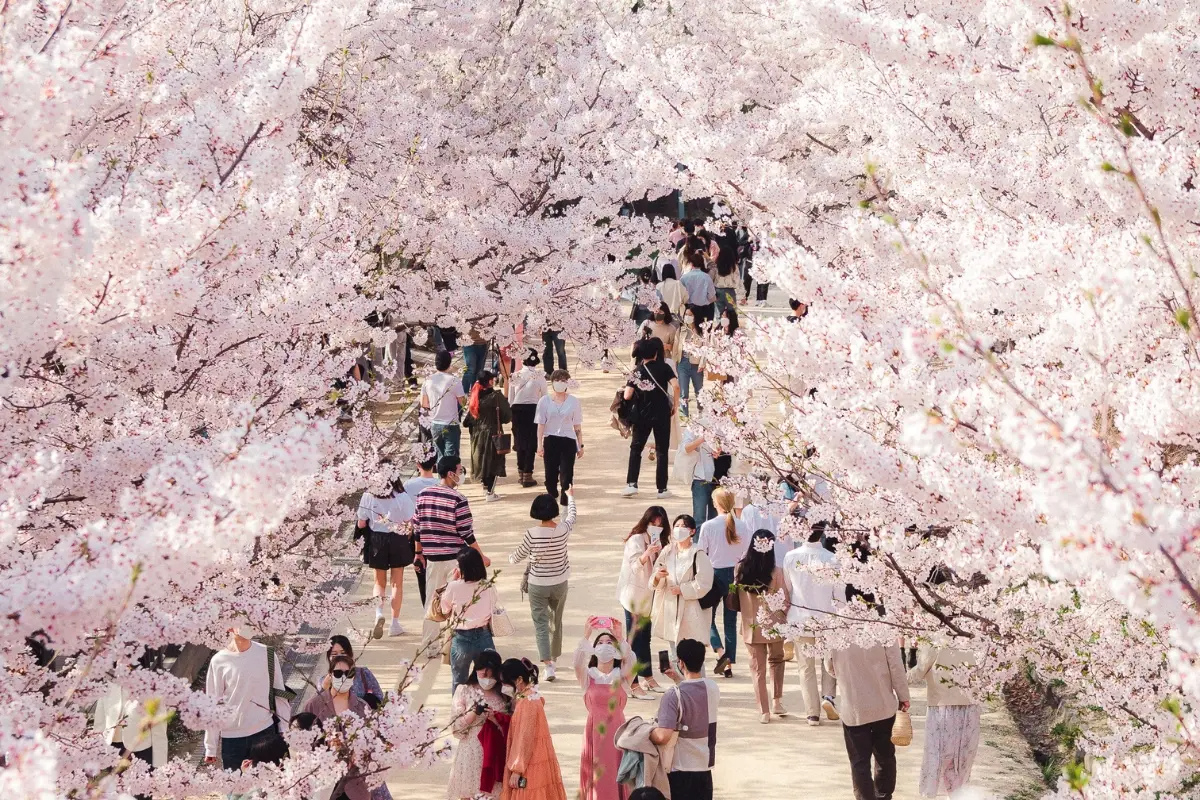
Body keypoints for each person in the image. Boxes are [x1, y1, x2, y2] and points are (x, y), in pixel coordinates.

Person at [415, 457, 492, 643]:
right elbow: (467, 533)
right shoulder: (458, 499)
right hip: (455, 559)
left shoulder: (423, 495)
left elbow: (417, 527)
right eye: (459, 471)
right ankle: (451, 644)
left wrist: (418, 554)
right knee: (456, 602)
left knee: (432, 601)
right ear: (450, 474)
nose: (460, 474)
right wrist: (481, 556)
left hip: (432, 558)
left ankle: (429, 643)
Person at [509, 487, 577, 682]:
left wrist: (510, 559)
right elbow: (572, 516)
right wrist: (570, 497)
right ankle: (554, 658)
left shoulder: (532, 533)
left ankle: (547, 665)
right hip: (560, 582)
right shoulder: (563, 529)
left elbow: (519, 554)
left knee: (540, 623)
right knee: (556, 621)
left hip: (538, 584)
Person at [303, 654, 392, 800]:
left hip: (356, 784)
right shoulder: (314, 705)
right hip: (325, 782)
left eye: (348, 673)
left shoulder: (362, 707)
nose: (343, 677)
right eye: (338, 673)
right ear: (330, 676)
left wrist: (358, 753)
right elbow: (303, 743)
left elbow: (371, 743)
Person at [829, 643, 911, 800]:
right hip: (883, 703)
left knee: (859, 761)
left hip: (854, 705)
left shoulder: (836, 627)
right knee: (885, 756)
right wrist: (903, 696)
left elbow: (830, 666)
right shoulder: (884, 624)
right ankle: (884, 795)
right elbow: (895, 665)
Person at [204, 623, 291, 770]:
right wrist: (210, 746)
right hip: (232, 737)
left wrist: (284, 728)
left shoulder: (267, 654)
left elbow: (279, 693)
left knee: (270, 787)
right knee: (236, 790)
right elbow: (212, 706)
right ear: (229, 626)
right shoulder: (219, 661)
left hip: (265, 731)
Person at [784, 525, 844, 725]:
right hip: (827, 618)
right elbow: (839, 594)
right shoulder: (832, 558)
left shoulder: (791, 557)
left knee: (806, 667)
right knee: (829, 663)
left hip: (801, 617)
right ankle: (828, 697)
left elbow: (788, 587)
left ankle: (812, 713)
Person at [648, 639, 719, 800]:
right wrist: (677, 679)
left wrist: (647, 732)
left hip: (680, 769)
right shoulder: (713, 688)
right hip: (704, 767)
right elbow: (694, 694)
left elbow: (663, 735)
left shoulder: (673, 695)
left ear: (680, 663)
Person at [732, 530, 790, 723]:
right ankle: (777, 701)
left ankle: (763, 710)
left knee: (757, 669)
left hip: (751, 625)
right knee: (776, 662)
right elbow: (785, 601)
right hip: (774, 625)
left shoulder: (740, 569)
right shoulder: (776, 572)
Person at [573, 621, 633, 800]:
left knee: (617, 770)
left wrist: (620, 638)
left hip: (618, 732)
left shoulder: (622, 676)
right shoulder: (587, 675)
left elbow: (632, 660)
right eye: (600, 643)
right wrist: (586, 636)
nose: (604, 646)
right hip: (594, 732)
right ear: (593, 649)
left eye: (609, 643)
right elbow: (577, 662)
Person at [910, 644, 980, 796]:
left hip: (942, 708)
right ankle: (958, 795)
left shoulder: (935, 641)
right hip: (970, 708)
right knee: (962, 760)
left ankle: (950, 794)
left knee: (941, 757)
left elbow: (919, 673)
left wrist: (899, 680)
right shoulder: (976, 637)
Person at [696, 488, 749, 678]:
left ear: (716, 504)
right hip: (735, 576)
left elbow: (701, 553)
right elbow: (746, 554)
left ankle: (720, 652)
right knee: (730, 621)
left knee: (706, 617)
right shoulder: (742, 526)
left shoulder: (708, 526)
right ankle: (729, 661)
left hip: (714, 575)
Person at [648, 515, 713, 671]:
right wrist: (658, 576)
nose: (678, 529)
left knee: (693, 653)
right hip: (670, 607)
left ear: (692, 531)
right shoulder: (668, 550)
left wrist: (682, 589)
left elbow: (704, 582)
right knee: (675, 652)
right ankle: (682, 688)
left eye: (683, 526)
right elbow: (655, 576)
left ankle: (697, 687)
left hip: (690, 609)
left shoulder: (698, 553)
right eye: (676, 526)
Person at [617, 506, 668, 698]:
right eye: (653, 522)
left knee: (645, 638)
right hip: (633, 597)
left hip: (649, 596)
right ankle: (632, 683)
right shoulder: (636, 540)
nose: (656, 526)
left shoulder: (660, 540)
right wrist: (647, 553)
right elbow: (634, 566)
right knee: (634, 642)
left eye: (660, 523)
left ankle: (647, 677)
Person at [357, 476, 417, 638]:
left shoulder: (368, 496)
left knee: (379, 582)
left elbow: (361, 523)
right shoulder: (402, 497)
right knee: (397, 583)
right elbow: (409, 521)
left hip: (377, 539)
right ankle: (395, 624)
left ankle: (378, 614)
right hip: (398, 538)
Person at [500, 658, 567, 800]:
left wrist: (517, 769)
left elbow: (525, 737)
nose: (504, 686)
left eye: (505, 682)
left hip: (530, 763)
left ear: (518, 680)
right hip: (536, 757)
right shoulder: (531, 696)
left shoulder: (527, 702)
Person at [448, 649, 511, 799]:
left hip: (495, 753)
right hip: (470, 753)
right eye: (483, 674)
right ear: (476, 670)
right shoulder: (463, 690)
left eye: (491, 675)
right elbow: (456, 728)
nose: (487, 679)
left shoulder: (505, 694)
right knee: (468, 794)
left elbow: (512, 726)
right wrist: (474, 713)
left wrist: (495, 718)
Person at [621, 338, 679, 499]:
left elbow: (627, 395)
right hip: (662, 414)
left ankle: (632, 484)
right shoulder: (665, 367)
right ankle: (662, 489)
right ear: (655, 353)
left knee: (636, 449)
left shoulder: (637, 371)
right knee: (662, 451)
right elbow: (675, 386)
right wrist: (675, 404)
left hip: (641, 415)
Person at [439, 547, 499, 695]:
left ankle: (458, 713)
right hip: (484, 636)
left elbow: (444, 610)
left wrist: (453, 582)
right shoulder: (488, 586)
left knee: (459, 681)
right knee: (490, 679)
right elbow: (493, 607)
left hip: (461, 639)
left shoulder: (453, 587)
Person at [535, 370, 584, 506]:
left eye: (563, 381)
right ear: (552, 383)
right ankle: (552, 496)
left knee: (566, 475)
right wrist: (539, 445)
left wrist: (580, 445)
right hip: (551, 440)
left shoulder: (573, 401)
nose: (560, 384)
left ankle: (565, 503)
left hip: (568, 441)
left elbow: (577, 425)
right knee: (550, 476)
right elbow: (540, 424)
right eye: (557, 381)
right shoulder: (544, 401)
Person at [463, 369, 512, 502]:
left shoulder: (475, 396)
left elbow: (467, 421)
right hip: (492, 433)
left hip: (478, 435)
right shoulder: (496, 396)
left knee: (481, 461)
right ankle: (490, 492)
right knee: (493, 462)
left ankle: (485, 488)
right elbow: (507, 416)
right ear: (490, 381)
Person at [509, 351, 547, 488]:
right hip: (533, 410)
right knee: (531, 442)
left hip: (517, 410)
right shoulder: (540, 376)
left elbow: (510, 398)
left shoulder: (515, 375)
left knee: (519, 441)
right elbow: (544, 397)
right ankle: (527, 474)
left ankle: (520, 471)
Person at [422, 349, 468, 460]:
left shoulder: (428, 380)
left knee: (440, 457)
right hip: (450, 424)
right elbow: (463, 403)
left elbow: (424, 403)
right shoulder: (454, 380)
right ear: (449, 363)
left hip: (435, 423)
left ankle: (441, 476)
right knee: (451, 459)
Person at [323, 636, 384, 700]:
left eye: (343, 653)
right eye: (334, 654)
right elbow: (317, 706)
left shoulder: (364, 673)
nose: (339, 657)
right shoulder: (325, 681)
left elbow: (379, 697)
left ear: (350, 654)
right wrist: (324, 688)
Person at [680, 426, 716, 525]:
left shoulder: (724, 423)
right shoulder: (694, 425)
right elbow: (685, 448)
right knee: (699, 518)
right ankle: (697, 540)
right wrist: (701, 439)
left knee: (716, 518)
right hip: (700, 477)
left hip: (720, 477)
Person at [675, 306, 705, 417]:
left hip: (696, 364)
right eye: (686, 315)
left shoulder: (701, 331)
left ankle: (701, 412)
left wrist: (702, 363)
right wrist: (675, 363)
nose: (687, 317)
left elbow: (705, 350)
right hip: (682, 363)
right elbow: (675, 348)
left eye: (690, 315)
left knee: (699, 390)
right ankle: (684, 415)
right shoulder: (681, 329)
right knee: (683, 392)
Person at [679, 251, 716, 327]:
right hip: (704, 309)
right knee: (703, 333)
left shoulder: (684, 278)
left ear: (691, 264)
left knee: (690, 332)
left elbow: (681, 296)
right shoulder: (706, 277)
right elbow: (712, 297)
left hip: (689, 309)